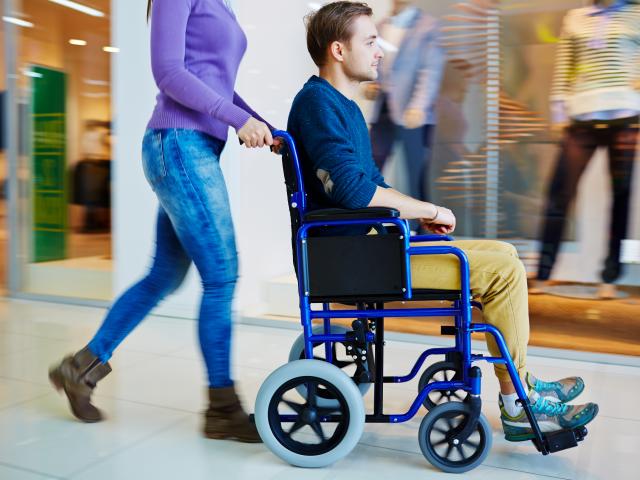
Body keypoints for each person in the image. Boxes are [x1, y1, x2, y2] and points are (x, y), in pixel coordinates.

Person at [287, 1, 599, 442]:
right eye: (371, 42)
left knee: (504, 253)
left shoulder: (341, 107)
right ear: (339, 50)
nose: (380, 52)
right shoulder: (319, 105)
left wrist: (417, 217)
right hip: (357, 259)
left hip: (369, 248)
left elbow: (370, 184)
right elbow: (355, 193)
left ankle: (522, 382)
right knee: (504, 270)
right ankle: (518, 401)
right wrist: (429, 210)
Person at [49, 0, 277, 443]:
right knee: (222, 276)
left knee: (163, 276)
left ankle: (80, 368)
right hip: (179, 143)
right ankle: (222, 409)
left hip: (192, 148)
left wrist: (261, 123)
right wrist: (237, 120)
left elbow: (217, 81)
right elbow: (169, 73)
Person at [365, 0, 445, 215]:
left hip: (413, 112)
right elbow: (376, 62)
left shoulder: (429, 26)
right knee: (369, 166)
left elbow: (430, 72)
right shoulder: (381, 25)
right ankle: (367, 221)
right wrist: (372, 84)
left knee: (416, 175)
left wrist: (418, 106)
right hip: (384, 107)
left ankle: (425, 228)